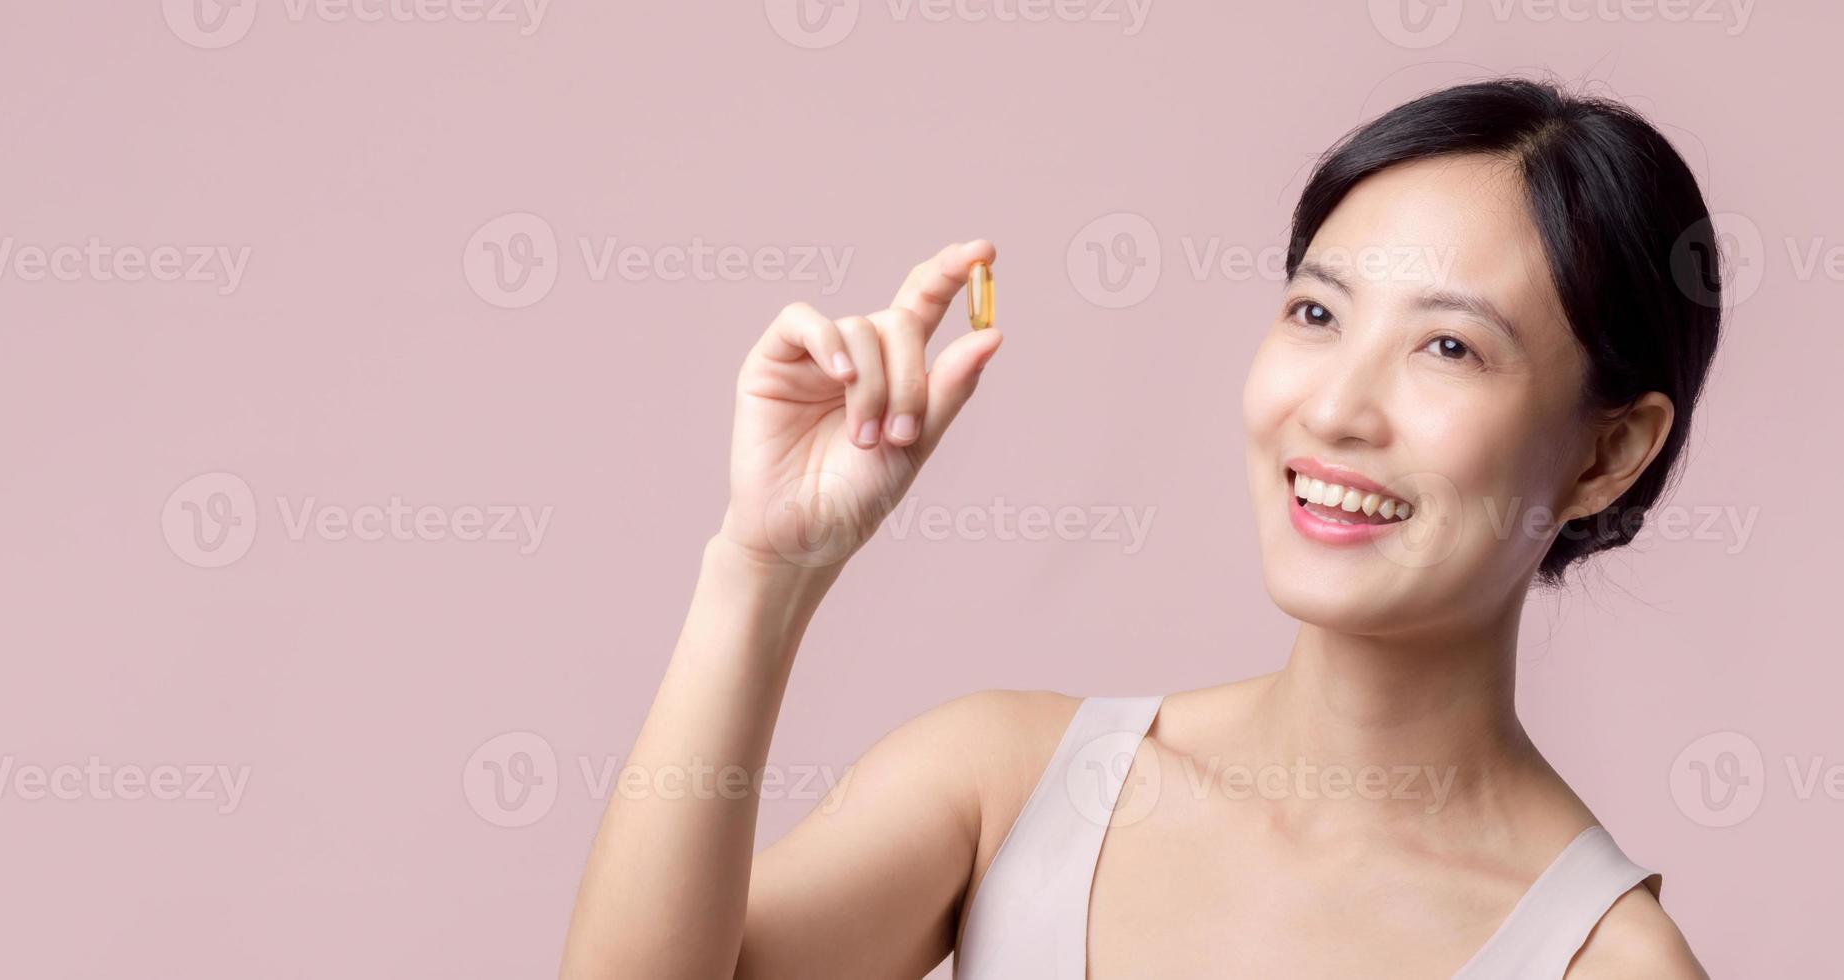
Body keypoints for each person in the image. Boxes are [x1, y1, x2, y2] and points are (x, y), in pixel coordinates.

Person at [561, 77, 1720, 979]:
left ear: (1606, 451)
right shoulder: (1009, 781)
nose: (1331, 407)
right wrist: (763, 569)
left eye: (1448, 346)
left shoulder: (1602, 959)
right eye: (1315, 312)